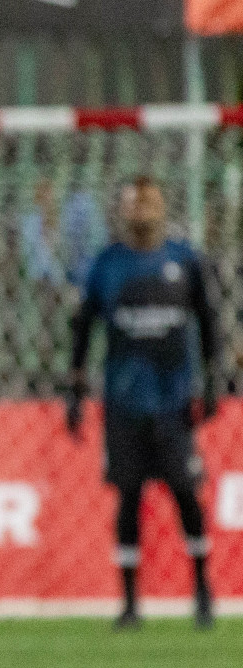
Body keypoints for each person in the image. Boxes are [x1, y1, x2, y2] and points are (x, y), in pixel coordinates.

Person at [68, 177, 219, 630]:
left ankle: (202, 589)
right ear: (122, 211)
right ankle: (130, 602)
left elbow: (209, 322)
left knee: (185, 494)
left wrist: (212, 382)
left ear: (162, 206)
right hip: (123, 403)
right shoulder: (107, 264)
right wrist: (74, 390)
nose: (140, 211)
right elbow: (82, 327)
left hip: (174, 403)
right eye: (132, 203)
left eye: (147, 202)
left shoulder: (185, 260)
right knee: (128, 496)